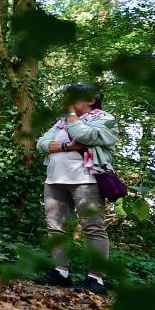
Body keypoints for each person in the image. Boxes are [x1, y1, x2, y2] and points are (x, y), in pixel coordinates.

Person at [33, 83, 118, 294]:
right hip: (54, 179)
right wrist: (65, 146)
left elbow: (84, 136)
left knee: (93, 227)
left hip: (86, 179)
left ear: (91, 100)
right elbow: (41, 143)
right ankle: (60, 272)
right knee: (56, 227)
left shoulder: (105, 120)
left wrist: (71, 115)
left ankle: (96, 279)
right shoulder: (61, 123)